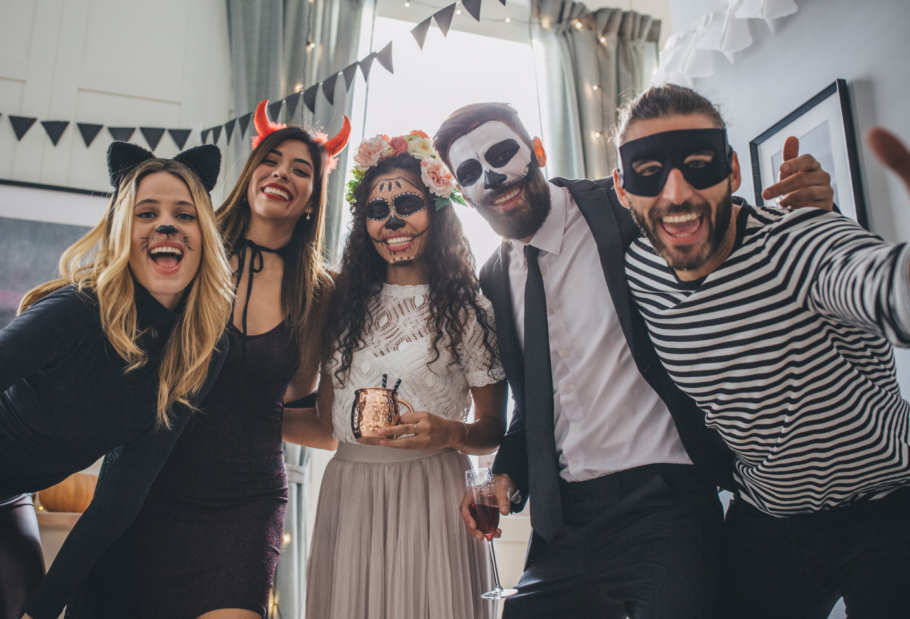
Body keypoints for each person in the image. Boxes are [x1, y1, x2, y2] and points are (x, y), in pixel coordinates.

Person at [432, 102, 836, 618]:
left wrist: (809, 212)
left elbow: (716, 228)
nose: (493, 178)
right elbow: (529, 409)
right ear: (463, 192)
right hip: (563, 524)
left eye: (502, 154)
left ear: (536, 151)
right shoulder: (493, 281)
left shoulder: (621, 207)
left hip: (664, 499)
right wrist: (508, 477)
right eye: (470, 172)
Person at [0, 142, 232, 619]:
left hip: (4, 499)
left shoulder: (202, 350)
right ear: (121, 232)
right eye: (146, 213)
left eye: (184, 215)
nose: (165, 225)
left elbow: (118, 499)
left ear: (204, 235)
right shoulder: (76, 311)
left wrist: (40, 612)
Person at [613, 84, 910, 618]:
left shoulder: (795, 243)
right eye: (648, 171)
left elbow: (871, 279)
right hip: (769, 515)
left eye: (699, 165)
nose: (676, 193)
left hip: (888, 503)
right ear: (621, 187)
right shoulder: (640, 270)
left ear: (733, 171)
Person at [70, 101, 350, 619]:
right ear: (250, 174)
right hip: (150, 481)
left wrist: (250, 413)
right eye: (271, 160)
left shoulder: (322, 293)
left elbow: (327, 426)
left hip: (244, 502)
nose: (281, 173)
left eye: (301, 169)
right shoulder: (192, 244)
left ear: (314, 199)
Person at [291, 130, 508, 619]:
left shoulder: (467, 308)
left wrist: (451, 432)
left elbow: (494, 428)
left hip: (431, 495)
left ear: (436, 210)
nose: (392, 221)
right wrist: (229, 418)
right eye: (376, 210)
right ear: (363, 223)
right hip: (348, 495)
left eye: (407, 203)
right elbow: (328, 424)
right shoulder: (341, 302)